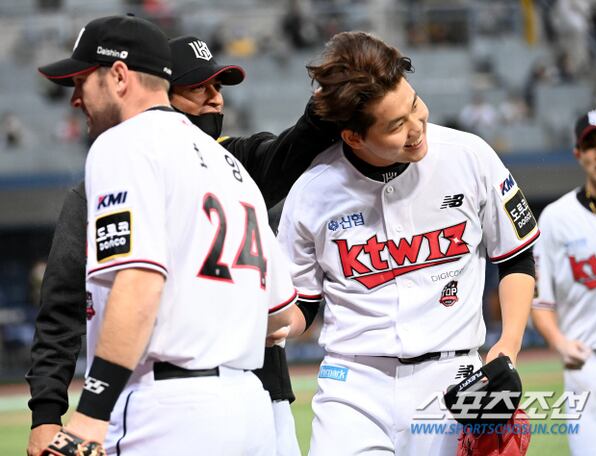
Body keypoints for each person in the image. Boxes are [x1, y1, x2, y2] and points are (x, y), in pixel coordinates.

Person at [27, 33, 337, 456]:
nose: (216, 99)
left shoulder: (128, 149)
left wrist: (91, 412)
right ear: (164, 92)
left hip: (168, 400)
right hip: (248, 403)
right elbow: (281, 313)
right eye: (198, 87)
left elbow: (138, 284)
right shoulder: (234, 173)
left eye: (217, 87)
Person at [275, 31, 538, 455]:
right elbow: (302, 306)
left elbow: (516, 257)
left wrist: (507, 346)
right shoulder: (312, 191)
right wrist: (264, 321)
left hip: (453, 378)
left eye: (414, 105)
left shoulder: (469, 156)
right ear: (353, 137)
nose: (416, 128)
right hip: (352, 386)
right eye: (396, 125)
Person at [531, 108, 596, 456]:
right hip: (586, 367)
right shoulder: (556, 219)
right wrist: (559, 342)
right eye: (591, 145)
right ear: (578, 154)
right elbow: (541, 302)